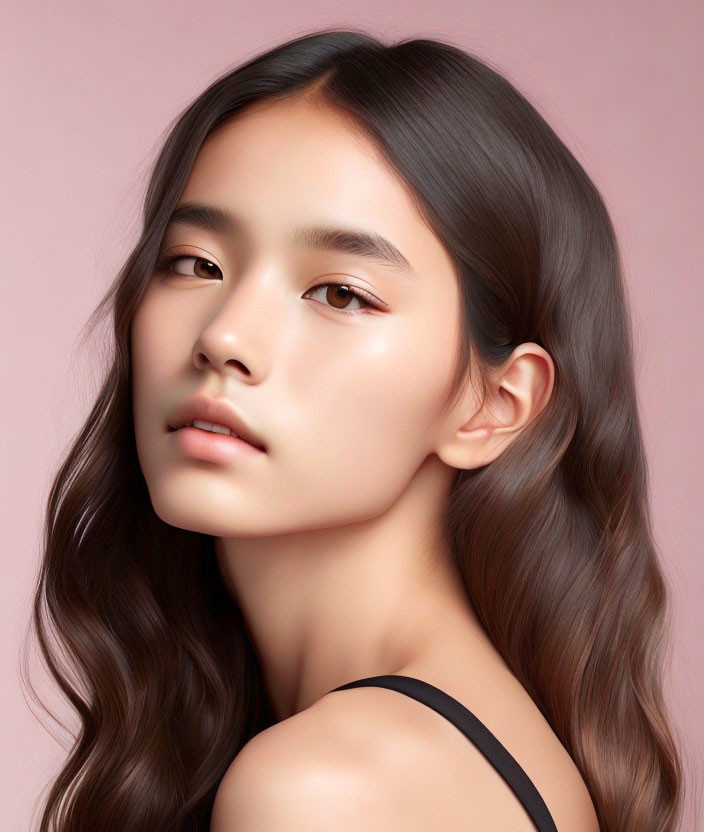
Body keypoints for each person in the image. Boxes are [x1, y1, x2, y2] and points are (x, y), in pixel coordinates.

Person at [27, 28, 683, 831]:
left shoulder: (328, 790)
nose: (224, 337)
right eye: (197, 263)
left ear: (495, 406)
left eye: (339, 293)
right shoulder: (453, 745)